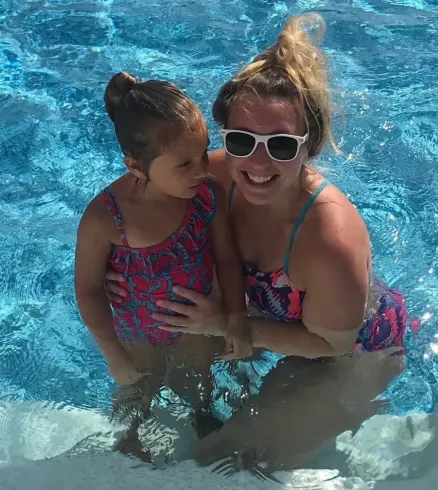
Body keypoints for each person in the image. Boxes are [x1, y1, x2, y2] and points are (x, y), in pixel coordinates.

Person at [105, 13, 417, 361]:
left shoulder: (330, 243)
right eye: (241, 140)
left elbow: (332, 344)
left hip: (353, 351)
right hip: (258, 320)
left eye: (281, 145)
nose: (257, 162)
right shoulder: (212, 175)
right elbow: (130, 198)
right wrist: (116, 264)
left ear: (309, 146)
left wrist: (224, 324)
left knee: (262, 401)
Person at [74, 72, 252, 455]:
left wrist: (236, 317)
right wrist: (112, 354)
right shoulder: (105, 218)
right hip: (137, 333)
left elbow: (227, 258)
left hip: (195, 325)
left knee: (199, 385)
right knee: (135, 391)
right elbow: (88, 291)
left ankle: (204, 419)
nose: (202, 169)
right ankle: (129, 439)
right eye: (184, 164)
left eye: (204, 153)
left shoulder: (208, 196)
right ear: (136, 167)